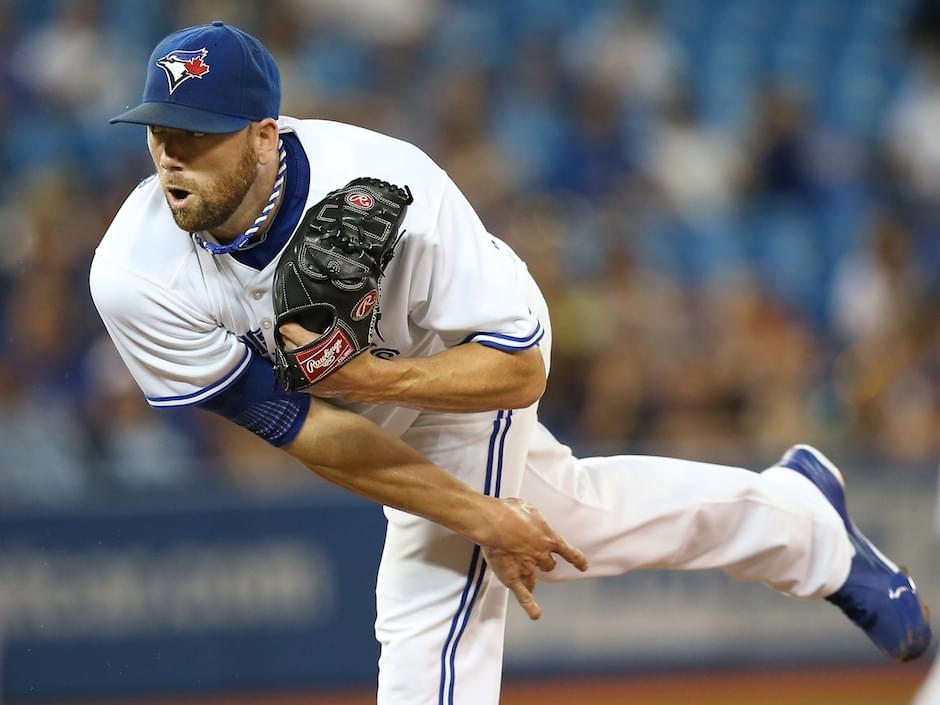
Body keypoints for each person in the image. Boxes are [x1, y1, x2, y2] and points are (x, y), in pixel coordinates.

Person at [92, 22, 931, 705]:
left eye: (199, 136)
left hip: (471, 356)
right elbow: (297, 425)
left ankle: (799, 526)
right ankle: (799, 520)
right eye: (160, 132)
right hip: (364, 404)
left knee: (430, 610)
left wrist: (394, 407)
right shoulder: (133, 274)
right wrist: (482, 509)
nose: (171, 156)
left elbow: (518, 368)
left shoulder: (394, 187)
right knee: (574, 517)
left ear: (265, 133)